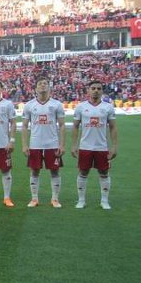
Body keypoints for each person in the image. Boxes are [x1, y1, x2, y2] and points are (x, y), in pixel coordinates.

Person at [71, 80, 118, 210]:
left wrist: (113, 147)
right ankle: (81, 200)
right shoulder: (81, 107)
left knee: (104, 172)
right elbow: (75, 127)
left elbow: (113, 127)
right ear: (88, 90)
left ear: (102, 91)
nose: (96, 90)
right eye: (93, 88)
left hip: (102, 147)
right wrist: (74, 145)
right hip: (85, 146)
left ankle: (104, 201)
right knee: (83, 172)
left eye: (99, 88)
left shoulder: (108, 107)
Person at [22, 77, 65, 208]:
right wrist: (24, 145)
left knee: (55, 171)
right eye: (40, 83)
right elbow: (24, 126)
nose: (42, 85)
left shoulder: (56, 104)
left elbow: (62, 125)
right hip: (35, 144)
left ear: (49, 87)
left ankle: (55, 199)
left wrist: (62, 145)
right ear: (35, 88)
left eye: (45, 83)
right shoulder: (29, 105)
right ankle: (34, 199)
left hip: (52, 144)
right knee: (34, 171)